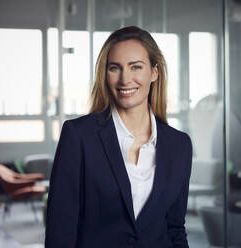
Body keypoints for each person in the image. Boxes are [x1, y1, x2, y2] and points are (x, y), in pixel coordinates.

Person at [45, 26, 193, 248]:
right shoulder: (79, 137)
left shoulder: (179, 145)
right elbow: (60, 231)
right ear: (105, 74)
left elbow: (175, 229)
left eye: (136, 67)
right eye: (115, 68)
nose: (125, 79)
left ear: (154, 72)